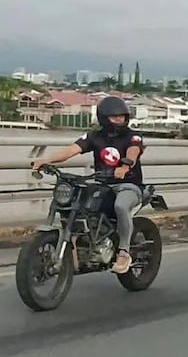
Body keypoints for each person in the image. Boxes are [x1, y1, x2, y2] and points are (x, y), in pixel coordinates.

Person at [32, 96, 145, 274]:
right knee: (77, 206)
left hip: (128, 185)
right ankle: (77, 252)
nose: (119, 120)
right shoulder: (94, 136)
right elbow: (71, 150)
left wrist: (125, 165)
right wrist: (46, 160)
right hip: (102, 184)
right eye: (115, 117)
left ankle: (124, 252)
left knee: (121, 205)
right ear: (103, 118)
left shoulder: (132, 136)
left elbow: (134, 150)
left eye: (122, 117)